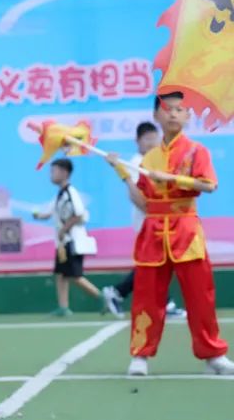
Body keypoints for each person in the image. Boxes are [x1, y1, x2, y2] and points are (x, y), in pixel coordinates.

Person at [106, 92, 234, 377]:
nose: (173, 114)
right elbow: (143, 202)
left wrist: (173, 179)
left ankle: (213, 355)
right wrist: (123, 173)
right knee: (146, 297)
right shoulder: (148, 158)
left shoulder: (196, 151)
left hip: (186, 231)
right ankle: (141, 355)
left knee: (201, 296)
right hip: (153, 231)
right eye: (167, 109)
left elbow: (209, 185)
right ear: (156, 116)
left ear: (188, 116)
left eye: (180, 109)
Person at [101, 122, 185, 319]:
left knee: (156, 264)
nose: (151, 142)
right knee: (157, 263)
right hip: (149, 222)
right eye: (146, 139)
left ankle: (117, 292)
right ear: (137, 141)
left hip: (162, 220)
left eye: (154, 137)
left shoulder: (158, 161)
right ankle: (164, 304)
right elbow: (135, 195)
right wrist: (151, 214)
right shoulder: (136, 162)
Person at [32, 159, 102, 316]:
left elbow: (78, 214)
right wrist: (38, 215)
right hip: (63, 244)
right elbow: (51, 213)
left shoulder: (71, 192)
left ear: (64, 173)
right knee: (61, 274)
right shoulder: (60, 194)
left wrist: (64, 229)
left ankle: (103, 298)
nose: (51, 175)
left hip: (72, 241)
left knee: (75, 276)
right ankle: (63, 307)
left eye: (54, 171)